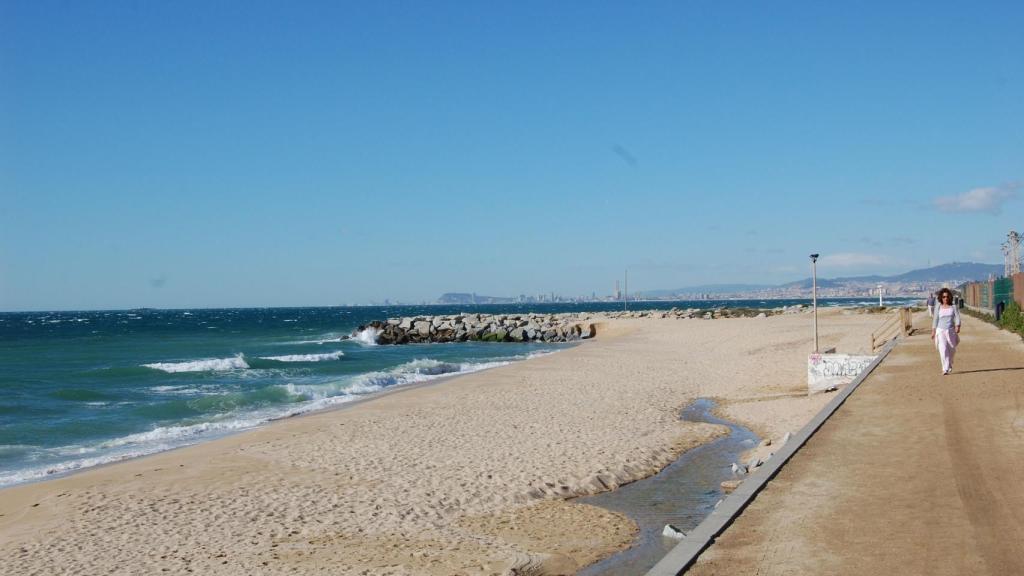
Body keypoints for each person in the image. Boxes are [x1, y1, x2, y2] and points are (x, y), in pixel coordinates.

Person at [931, 287, 961, 375]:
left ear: (950, 297)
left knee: (952, 349)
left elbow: (957, 317)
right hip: (940, 331)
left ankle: (949, 363)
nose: (945, 298)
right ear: (941, 297)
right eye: (944, 297)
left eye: (947, 296)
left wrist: (958, 325)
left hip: (950, 331)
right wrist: (933, 331)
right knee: (943, 349)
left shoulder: (953, 307)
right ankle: (945, 369)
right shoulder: (938, 307)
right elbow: (935, 319)